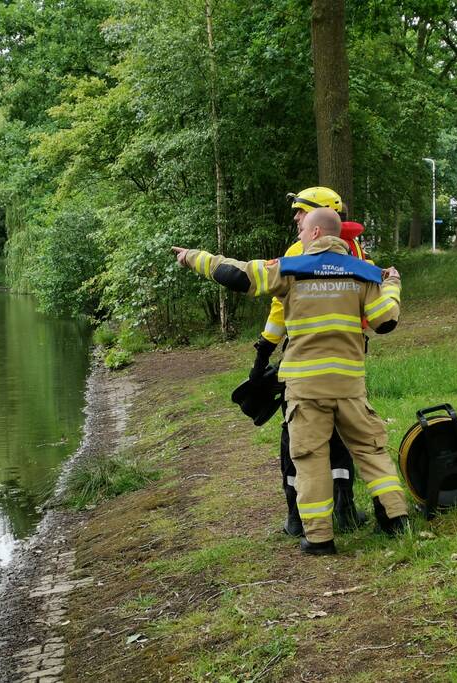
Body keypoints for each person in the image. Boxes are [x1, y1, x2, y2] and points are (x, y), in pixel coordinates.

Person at [172, 207, 409, 555]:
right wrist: (392, 284)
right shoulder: (365, 274)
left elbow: (236, 274)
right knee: (370, 450)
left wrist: (193, 257)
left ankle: (319, 538)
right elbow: (384, 321)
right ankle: (395, 519)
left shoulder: (289, 269)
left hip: (306, 387)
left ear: (315, 234)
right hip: (348, 385)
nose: (297, 235)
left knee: (310, 457)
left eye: (301, 231)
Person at [252, 187, 369, 538]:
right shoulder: (353, 251)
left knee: (297, 438)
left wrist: (263, 351)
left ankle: (298, 516)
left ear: (321, 216)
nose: (296, 218)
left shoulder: (299, 251)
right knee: (342, 435)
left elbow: (279, 310)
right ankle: (343, 509)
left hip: (305, 365)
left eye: (302, 211)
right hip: (346, 361)